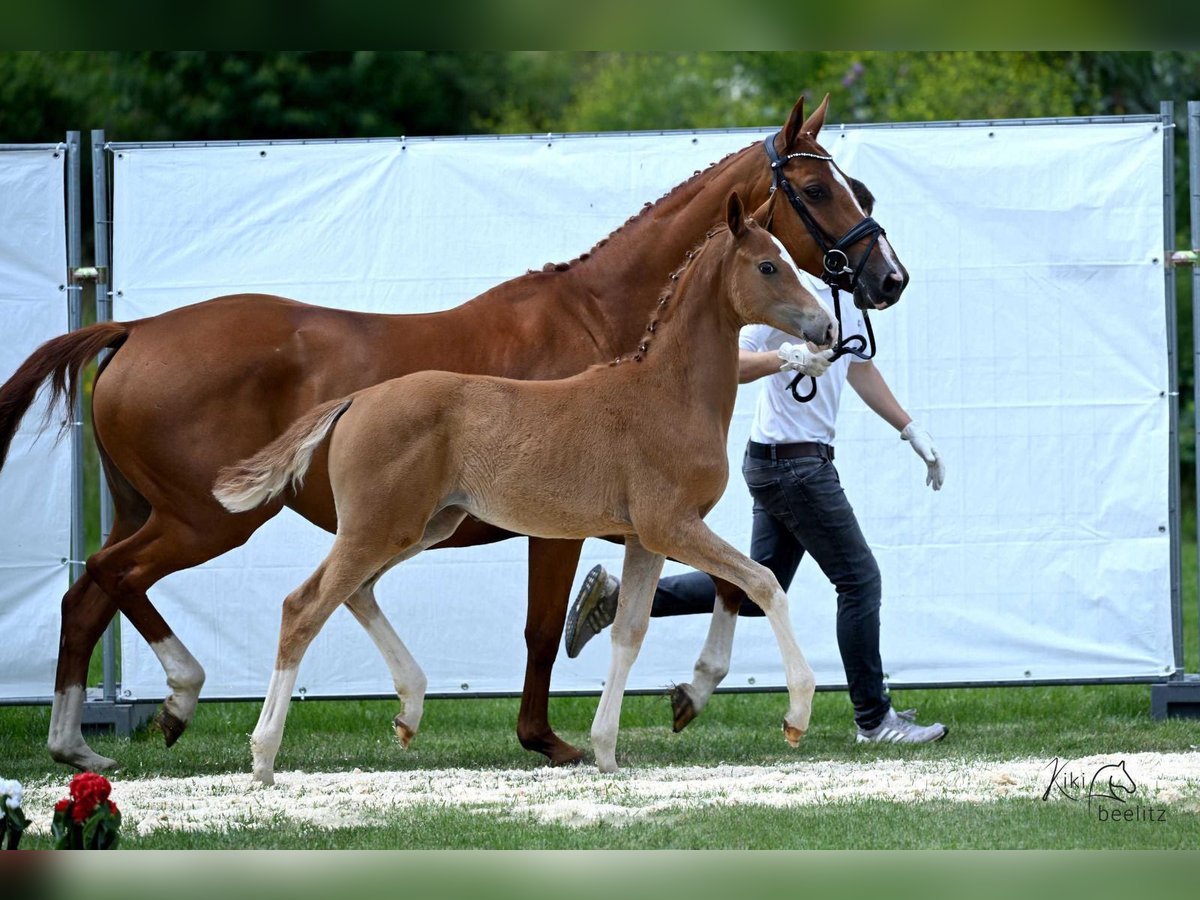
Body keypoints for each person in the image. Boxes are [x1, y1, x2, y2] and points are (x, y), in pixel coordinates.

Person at [563, 271, 948, 743]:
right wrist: (783, 358)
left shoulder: (849, 303)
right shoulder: (792, 297)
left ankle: (614, 595)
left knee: (753, 586)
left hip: (786, 460)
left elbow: (858, 367)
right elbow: (729, 362)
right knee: (860, 580)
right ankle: (873, 718)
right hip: (795, 464)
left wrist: (909, 429)